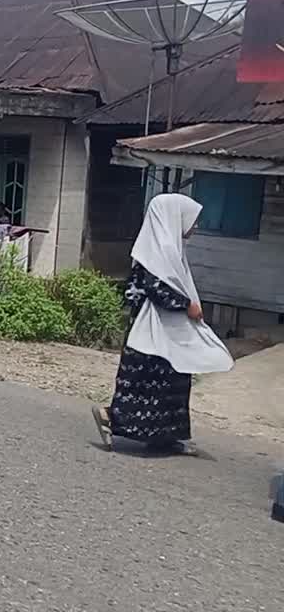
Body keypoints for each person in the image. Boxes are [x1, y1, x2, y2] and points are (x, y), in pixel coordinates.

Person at [92, 194, 234, 454]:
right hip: (149, 332)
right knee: (143, 383)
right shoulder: (154, 252)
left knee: (174, 381)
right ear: (173, 218)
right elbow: (155, 288)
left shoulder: (171, 250)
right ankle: (110, 417)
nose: (196, 226)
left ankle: (165, 437)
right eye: (192, 220)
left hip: (168, 331)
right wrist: (186, 305)